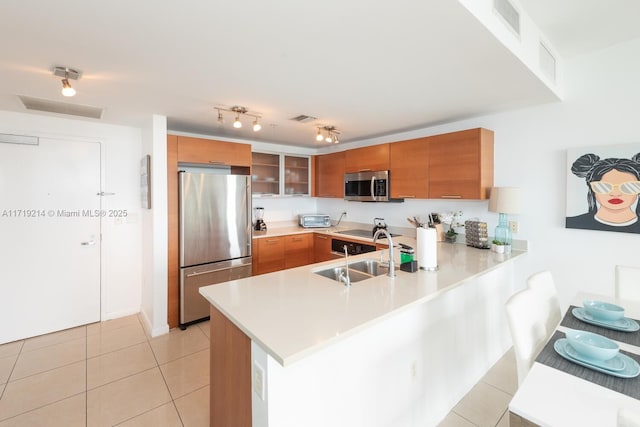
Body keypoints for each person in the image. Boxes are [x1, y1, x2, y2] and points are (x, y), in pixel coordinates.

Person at [566, 152, 640, 233]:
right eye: (604, 187)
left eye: (629, 187)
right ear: (592, 188)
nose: (615, 193)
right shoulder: (572, 223)